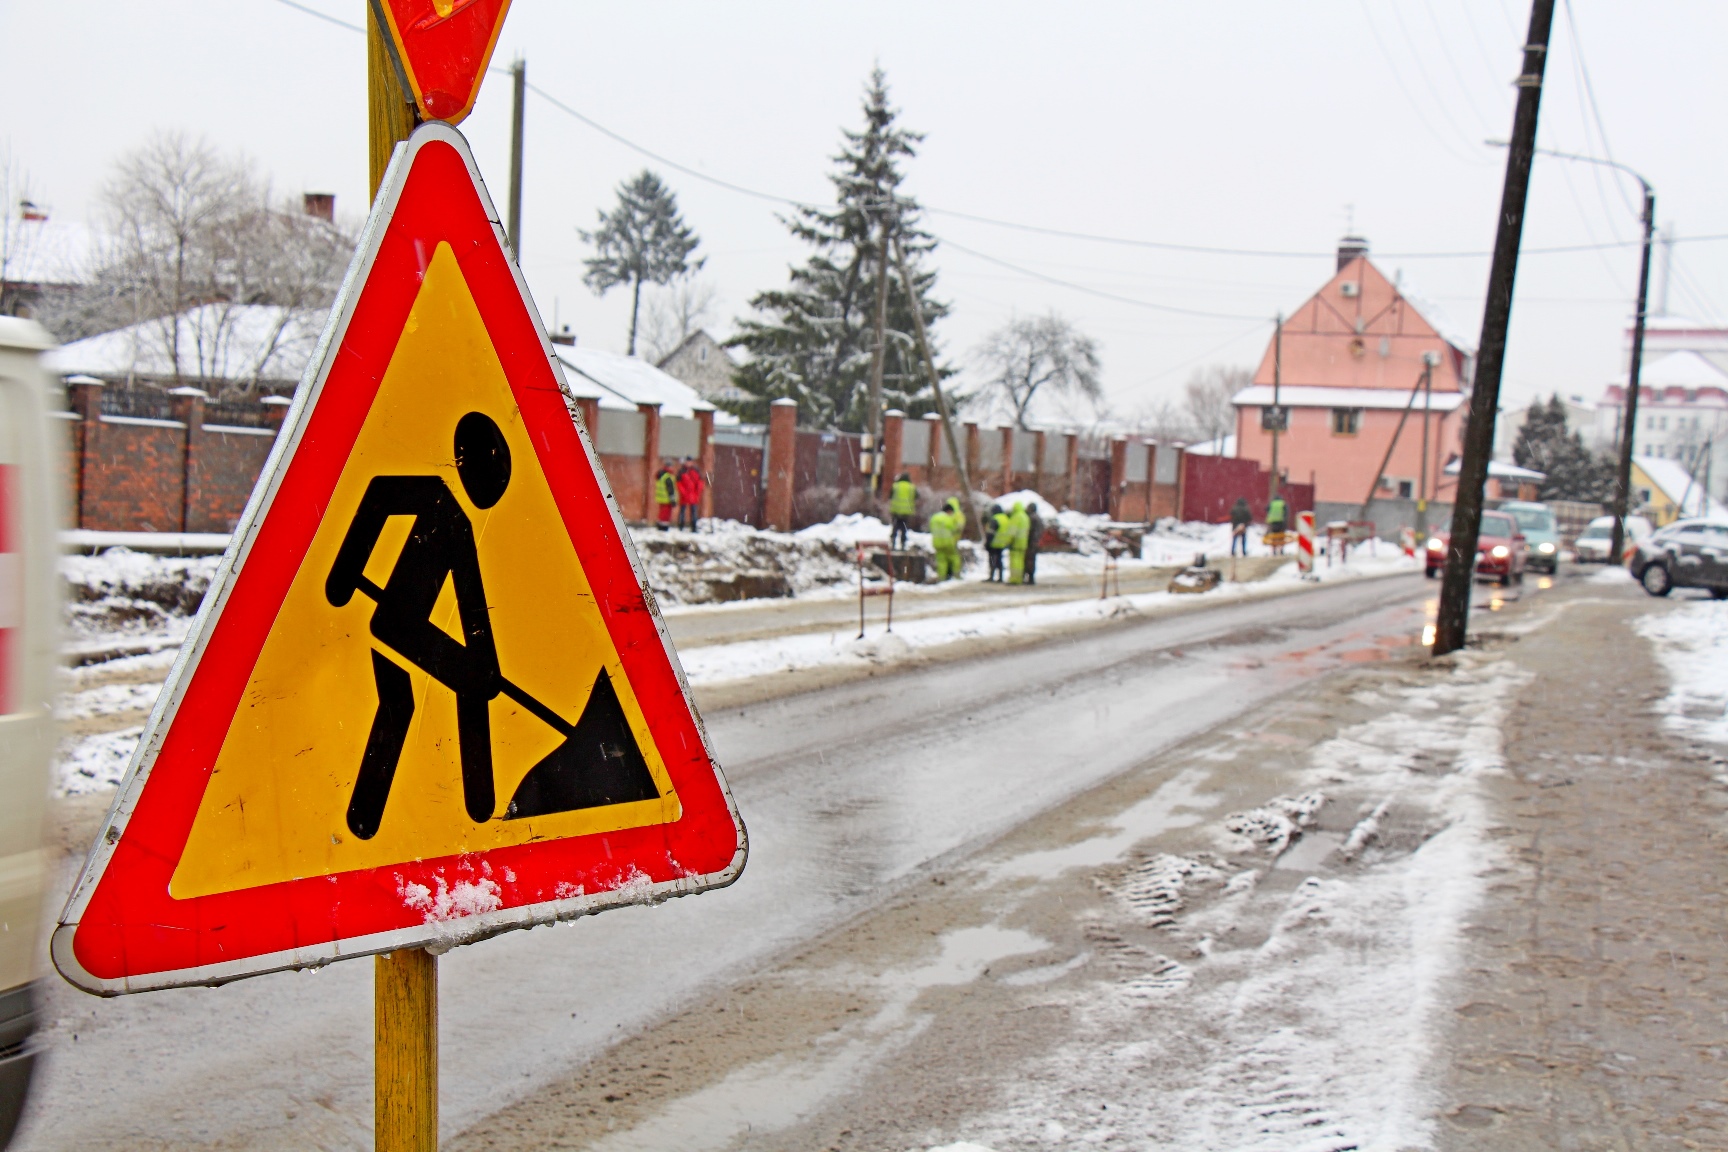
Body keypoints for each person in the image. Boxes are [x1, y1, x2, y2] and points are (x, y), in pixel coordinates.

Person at [929, 497, 964, 581]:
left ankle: (942, 577)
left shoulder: (934, 517)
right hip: (948, 543)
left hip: (937, 543)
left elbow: (931, 528)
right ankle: (956, 575)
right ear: (949, 511)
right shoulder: (948, 518)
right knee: (954, 557)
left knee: (941, 560)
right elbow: (954, 529)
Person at [888, 472, 917, 550]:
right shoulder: (911, 487)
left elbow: (890, 496)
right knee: (904, 528)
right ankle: (903, 543)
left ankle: (893, 542)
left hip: (896, 510)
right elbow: (916, 496)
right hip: (906, 512)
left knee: (895, 526)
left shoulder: (895, 486)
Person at [676, 457, 706, 531]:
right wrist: (683, 492)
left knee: (693, 512)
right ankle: (681, 526)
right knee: (682, 511)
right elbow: (678, 483)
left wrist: (697, 492)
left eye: (689, 462)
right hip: (684, 495)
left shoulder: (696, 471)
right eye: (687, 462)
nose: (688, 463)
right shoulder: (681, 471)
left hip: (693, 495)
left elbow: (700, 482)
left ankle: (694, 527)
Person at [1006, 501, 1031, 584]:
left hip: (1015, 543)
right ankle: (1020, 578)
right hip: (1024, 543)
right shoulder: (1026, 517)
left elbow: (1012, 531)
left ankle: (1014, 579)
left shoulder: (1015, 517)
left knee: (1014, 562)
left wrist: (1008, 541)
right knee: (1021, 562)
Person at [986, 504, 1009, 582]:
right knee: (999, 560)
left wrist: (988, 542)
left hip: (994, 543)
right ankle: (1000, 577)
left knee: (992, 560)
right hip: (1002, 543)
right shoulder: (1006, 518)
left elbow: (991, 532)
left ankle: (991, 576)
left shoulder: (995, 519)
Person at [653, 459, 678, 530]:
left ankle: (660, 525)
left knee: (662, 513)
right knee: (666, 514)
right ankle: (663, 527)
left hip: (661, 498)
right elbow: (670, 490)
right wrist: (673, 500)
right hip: (667, 499)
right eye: (671, 466)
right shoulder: (668, 476)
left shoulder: (661, 474)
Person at [1023, 500, 1043, 585]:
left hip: (1031, 542)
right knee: (1032, 560)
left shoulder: (1031, 518)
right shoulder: (1038, 518)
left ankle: (1029, 578)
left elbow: (1030, 531)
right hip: (1036, 542)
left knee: (1028, 560)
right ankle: (1031, 578)